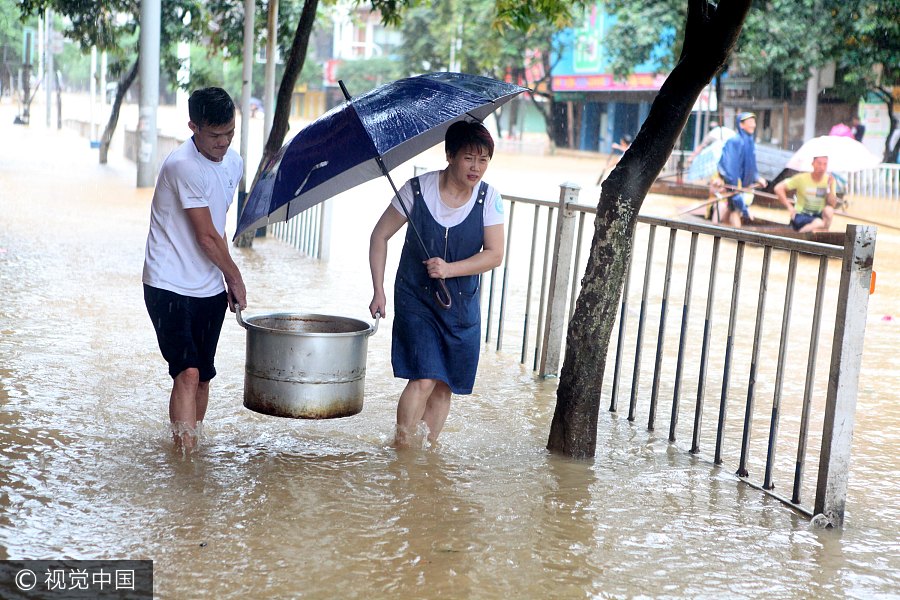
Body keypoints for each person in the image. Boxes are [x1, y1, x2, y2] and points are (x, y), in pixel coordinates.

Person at [368, 120, 505, 448]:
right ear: (449, 155)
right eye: (469, 158)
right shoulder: (416, 190)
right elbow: (380, 235)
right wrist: (379, 290)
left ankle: (425, 454)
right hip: (416, 299)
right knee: (425, 376)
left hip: (462, 306)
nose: (476, 167)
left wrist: (449, 268)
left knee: (445, 385)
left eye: (483, 159)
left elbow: (495, 255)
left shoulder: (489, 199)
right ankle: (402, 451)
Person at [142, 87, 247, 452]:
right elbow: (204, 236)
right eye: (215, 134)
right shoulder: (182, 165)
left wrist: (224, 278)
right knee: (186, 371)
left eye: (230, 133)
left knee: (203, 376)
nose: (224, 142)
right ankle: (183, 460)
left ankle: (192, 449)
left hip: (208, 286)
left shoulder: (234, 163)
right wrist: (235, 275)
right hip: (167, 283)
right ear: (193, 127)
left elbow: (217, 227)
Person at [716, 112, 767, 228]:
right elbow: (730, 165)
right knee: (737, 209)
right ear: (741, 125)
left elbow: (751, 165)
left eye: (754, 122)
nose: (753, 125)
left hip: (744, 184)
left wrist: (757, 177)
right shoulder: (735, 141)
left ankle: (719, 227)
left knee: (732, 207)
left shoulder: (750, 142)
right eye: (750, 122)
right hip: (735, 182)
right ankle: (738, 237)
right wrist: (735, 185)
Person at [774, 155, 838, 232]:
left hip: (818, 214)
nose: (822, 167)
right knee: (819, 223)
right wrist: (789, 207)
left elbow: (833, 204)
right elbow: (778, 188)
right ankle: (799, 236)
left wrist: (830, 187)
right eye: (819, 163)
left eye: (825, 164)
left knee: (829, 211)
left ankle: (821, 233)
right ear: (813, 164)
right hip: (801, 214)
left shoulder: (830, 180)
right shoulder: (801, 178)